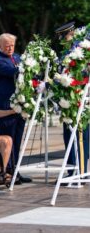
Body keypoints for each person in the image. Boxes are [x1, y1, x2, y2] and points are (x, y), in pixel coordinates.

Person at [0, 33, 32, 183]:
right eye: (7, 45)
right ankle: (6, 171)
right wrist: (30, 68)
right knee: (8, 139)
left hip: (20, 104)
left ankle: (15, 171)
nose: (10, 48)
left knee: (18, 138)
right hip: (5, 105)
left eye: (12, 45)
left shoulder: (18, 57)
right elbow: (13, 72)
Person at [55, 21, 89, 178]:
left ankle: (80, 172)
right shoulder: (65, 54)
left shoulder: (81, 51)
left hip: (79, 99)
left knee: (80, 136)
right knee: (69, 136)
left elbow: (82, 76)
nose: (63, 40)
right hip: (67, 100)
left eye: (64, 36)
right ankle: (72, 170)